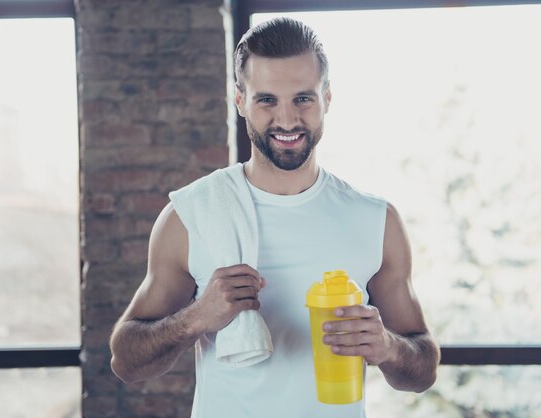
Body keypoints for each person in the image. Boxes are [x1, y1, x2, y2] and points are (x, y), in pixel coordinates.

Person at [110, 17, 439, 418]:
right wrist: (197, 317)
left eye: (303, 98)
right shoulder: (190, 215)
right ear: (240, 100)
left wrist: (386, 347)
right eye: (267, 100)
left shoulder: (375, 220)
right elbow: (125, 361)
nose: (286, 120)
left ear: (328, 99)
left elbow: (422, 369)